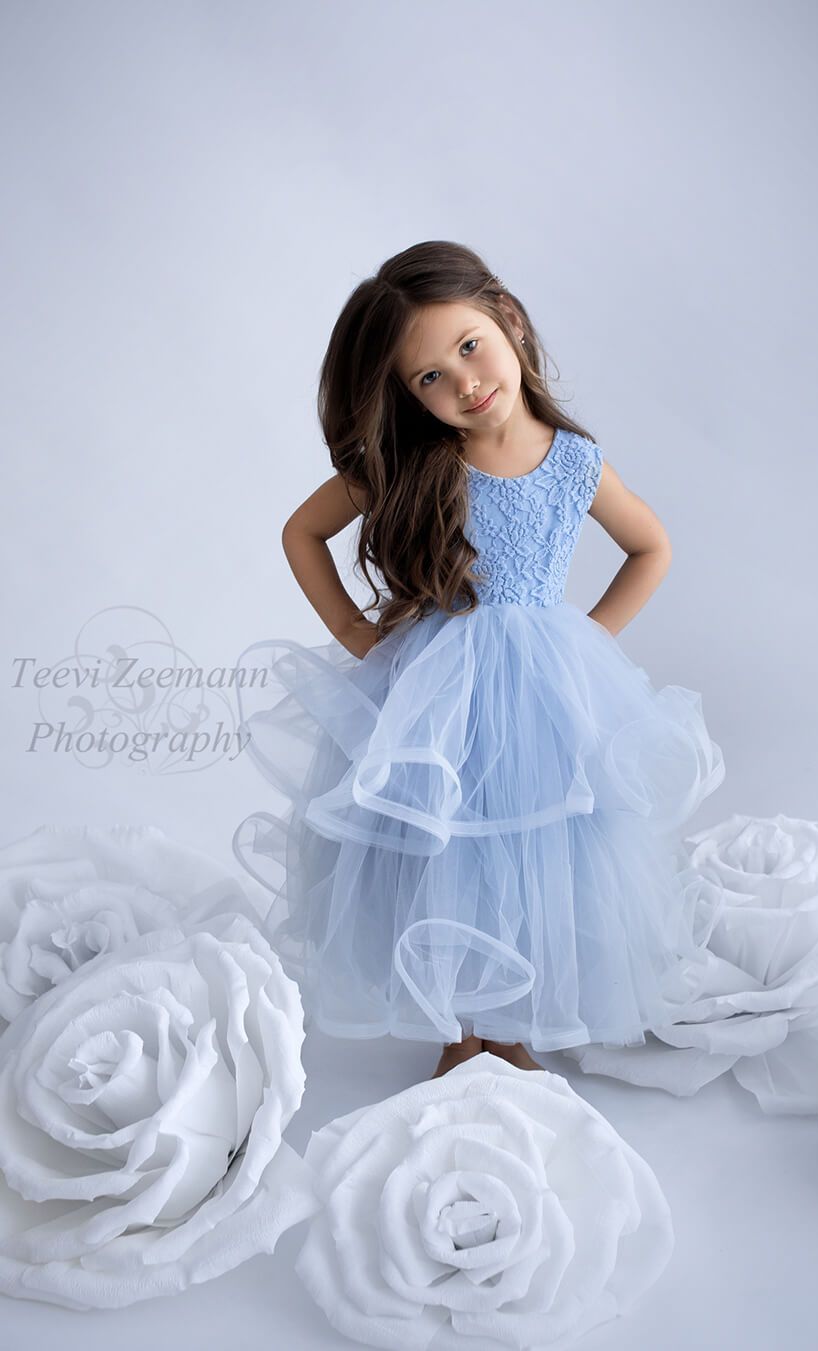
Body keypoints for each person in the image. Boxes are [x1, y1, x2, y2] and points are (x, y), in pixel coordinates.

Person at [232, 239, 725, 1080]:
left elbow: (651, 546)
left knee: (540, 851)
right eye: (428, 377)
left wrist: (587, 640)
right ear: (408, 395)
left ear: (509, 319)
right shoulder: (412, 463)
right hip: (440, 696)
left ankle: (513, 1025)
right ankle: (462, 1033)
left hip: (544, 693)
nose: (462, 382)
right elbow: (301, 533)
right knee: (447, 852)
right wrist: (357, 636)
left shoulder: (573, 461)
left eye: (468, 346)